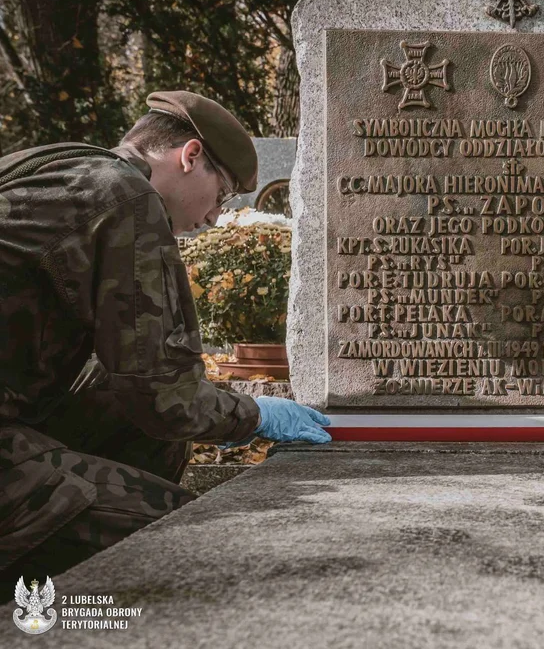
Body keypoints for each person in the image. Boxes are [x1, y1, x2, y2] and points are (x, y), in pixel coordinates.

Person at [0, 91, 331, 584]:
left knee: (130, 413)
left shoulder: (59, 167)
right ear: (190, 156)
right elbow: (164, 396)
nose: (216, 217)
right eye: (221, 196)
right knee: (181, 537)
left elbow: (142, 381)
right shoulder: (127, 198)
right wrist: (256, 414)